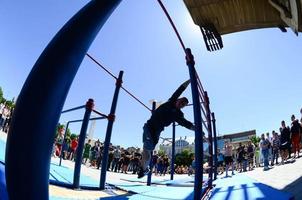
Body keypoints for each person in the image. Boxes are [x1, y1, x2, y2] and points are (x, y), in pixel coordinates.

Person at [137, 80, 194, 178]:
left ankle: (144, 169)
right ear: (177, 100)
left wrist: (196, 129)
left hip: (156, 131)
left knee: (148, 150)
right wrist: (190, 80)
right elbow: (180, 89)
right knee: (147, 150)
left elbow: (186, 124)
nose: (181, 105)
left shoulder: (178, 115)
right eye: (181, 102)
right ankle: (143, 170)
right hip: (149, 126)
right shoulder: (171, 101)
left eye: (183, 105)